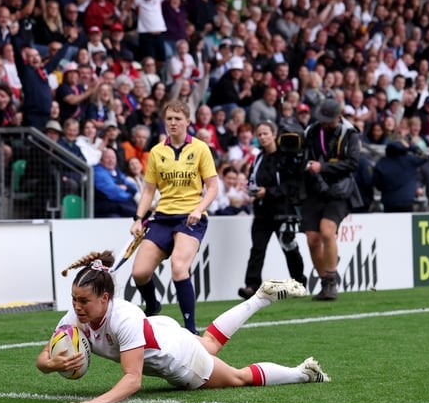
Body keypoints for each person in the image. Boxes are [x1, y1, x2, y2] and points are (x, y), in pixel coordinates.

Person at [36, 250, 328, 403]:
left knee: (238, 378)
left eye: (83, 300)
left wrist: (96, 402)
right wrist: (51, 364)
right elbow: (43, 357)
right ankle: (259, 298)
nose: (77, 306)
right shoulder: (75, 318)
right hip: (161, 329)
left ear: (104, 298)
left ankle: (303, 373)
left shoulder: (123, 318)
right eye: (73, 299)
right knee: (210, 342)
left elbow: (132, 380)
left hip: (177, 356)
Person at [129, 99, 218, 334]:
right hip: (162, 217)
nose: (173, 123)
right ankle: (153, 305)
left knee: (179, 267)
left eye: (178, 119)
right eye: (169, 119)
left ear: (188, 121)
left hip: (190, 217)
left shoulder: (200, 149)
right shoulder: (157, 152)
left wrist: (199, 209)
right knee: (139, 272)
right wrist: (138, 218)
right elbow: (149, 190)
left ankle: (190, 328)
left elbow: (213, 187)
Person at [301, 98, 362, 301]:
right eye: (323, 119)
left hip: (339, 190)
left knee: (327, 231)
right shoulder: (311, 131)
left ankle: (331, 281)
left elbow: (353, 163)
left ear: (339, 116)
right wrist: (308, 166)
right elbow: (304, 155)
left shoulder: (350, 134)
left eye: (329, 120)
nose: (325, 123)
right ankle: (325, 282)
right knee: (312, 239)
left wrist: (324, 167)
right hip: (315, 187)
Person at [238, 122, 307, 300]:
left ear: (274, 134)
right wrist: (252, 189)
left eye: (265, 133)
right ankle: (252, 286)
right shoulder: (259, 158)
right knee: (257, 249)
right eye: (259, 134)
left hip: (283, 210)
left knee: (289, 247)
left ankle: (299, 282)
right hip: (262, 211)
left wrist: (268, 192)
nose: (262, 137)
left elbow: (291, 184)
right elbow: (252, 179)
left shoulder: (286, 157)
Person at [372, 140, 428, 213]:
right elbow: (424, 156)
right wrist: (411, 146)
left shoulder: (382, 162)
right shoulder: (410, 160)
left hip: (389, 201)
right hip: (407, 200)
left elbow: (376, 183)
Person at [93, 148, 138, 218]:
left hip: (120, 206)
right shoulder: (98, 172)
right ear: (101, 160)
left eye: (113, 158)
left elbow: (134, 187)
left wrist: (125, 188)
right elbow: (115, 193)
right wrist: (127, 191)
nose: (111, 160)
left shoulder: (117, 172)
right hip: (107, 210)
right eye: (107, 158)